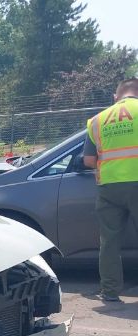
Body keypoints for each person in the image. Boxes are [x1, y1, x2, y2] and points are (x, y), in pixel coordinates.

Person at [83, 77, 138, 303]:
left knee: (109, 242)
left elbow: (88, 160)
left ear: (115, 97)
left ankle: (110, 291)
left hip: (109, 187)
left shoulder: (96, 120)